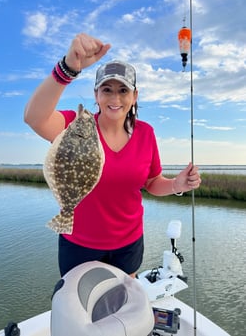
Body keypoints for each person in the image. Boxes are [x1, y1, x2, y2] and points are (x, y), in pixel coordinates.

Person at [24, 33, 201, 278]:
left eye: (123, 90)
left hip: (128, 243)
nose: (115, 98)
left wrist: (176, 185)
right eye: (107, 90)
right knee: (80, 309)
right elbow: (34, 117)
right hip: (78, 244)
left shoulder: (146, 133)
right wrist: (67, 69)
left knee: (122, 305)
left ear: (134, 96)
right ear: (96, 95)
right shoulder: (76, 125)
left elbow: (151, 183)